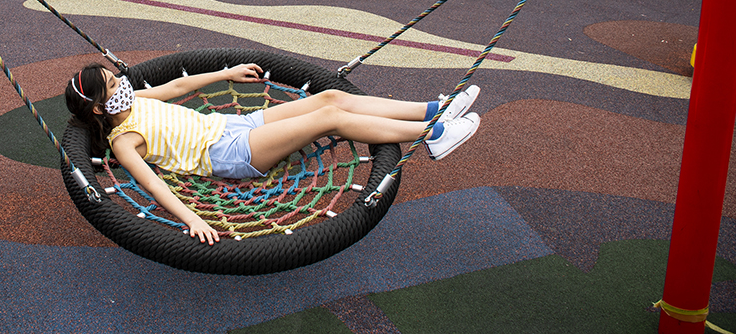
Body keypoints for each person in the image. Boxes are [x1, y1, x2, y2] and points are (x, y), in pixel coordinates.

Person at [65, 62, 481, 245]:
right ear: (100, 108)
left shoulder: (133, 99)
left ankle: (433, 109)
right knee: (330, 116)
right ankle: (433, 135)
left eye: (116, 75)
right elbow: (151, 182)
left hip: (232, 127)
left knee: (330, 95)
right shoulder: (124, 140)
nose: (122, 81)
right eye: (112, 82)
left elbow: (176, 88)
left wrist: (226, 74)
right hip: (228, 152)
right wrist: (192, 219)